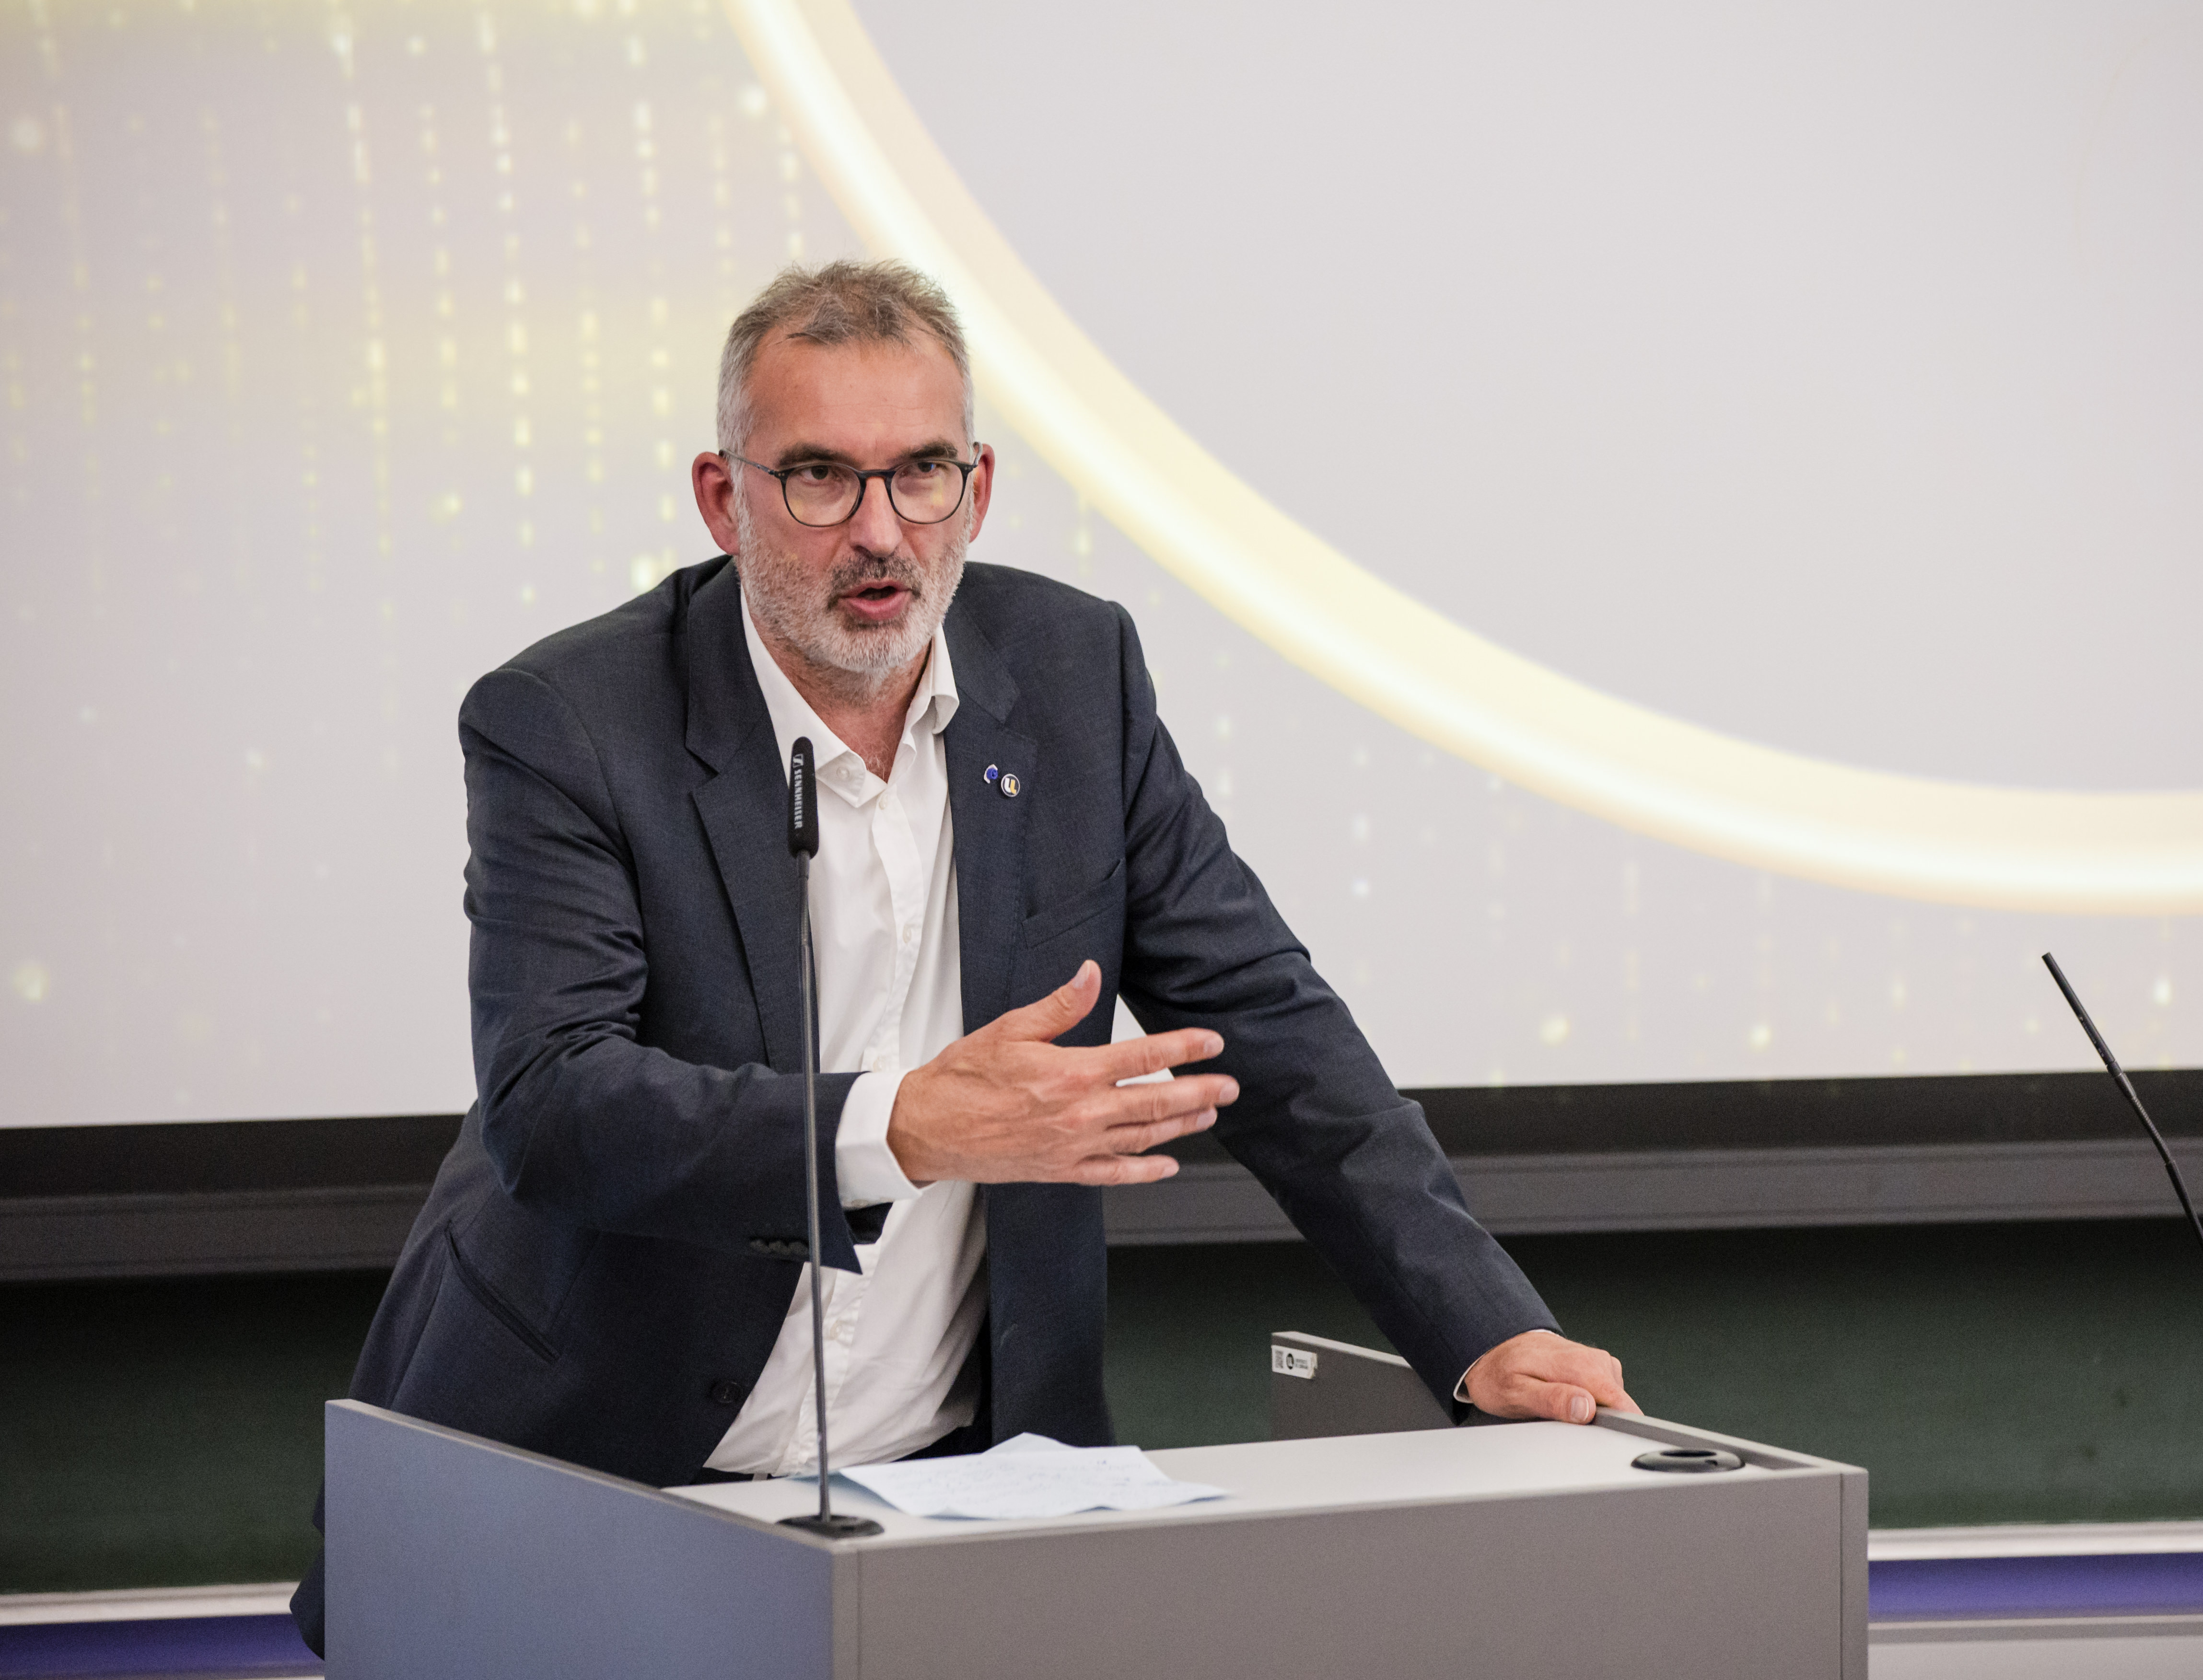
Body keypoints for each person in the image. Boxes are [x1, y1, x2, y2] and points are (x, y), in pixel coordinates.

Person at [290, 259, 1629, 1654]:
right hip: (594, 1467)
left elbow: (1270, 1027)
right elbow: (554, 1106)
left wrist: (1478, 1333)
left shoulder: (1072, 671)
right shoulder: (566, 719)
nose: (879, 532)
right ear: (720, 495)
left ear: (975, 490)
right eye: (818, 477)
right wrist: (897, 1123)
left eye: (921, 473)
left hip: (953, 1495)